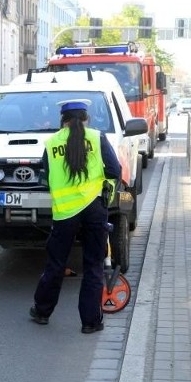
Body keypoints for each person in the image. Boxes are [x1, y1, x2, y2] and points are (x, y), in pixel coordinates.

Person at [29, 99, 121, 334]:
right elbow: (114, 170)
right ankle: (90, 322)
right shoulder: (97, 138)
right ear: (86, 118)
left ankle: (42, 312)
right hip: (94, 208)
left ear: (63, 120)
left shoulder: (51, 144)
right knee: (93, 265)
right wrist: (103, 191)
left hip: (64, 213)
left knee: (56, 264)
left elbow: (44, 177)